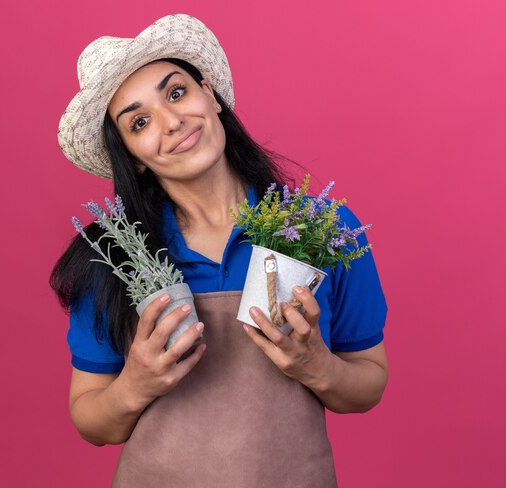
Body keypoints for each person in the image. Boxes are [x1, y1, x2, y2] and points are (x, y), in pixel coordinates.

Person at [51, 14, 388, 487]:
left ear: (210, 94)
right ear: (132, 156)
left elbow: (368, 382)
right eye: (140, 121)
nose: (172, 122)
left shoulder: (321, 230)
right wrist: (136, 385)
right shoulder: (114, 258)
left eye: (176, 92)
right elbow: (90, 419)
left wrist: (317, 366)